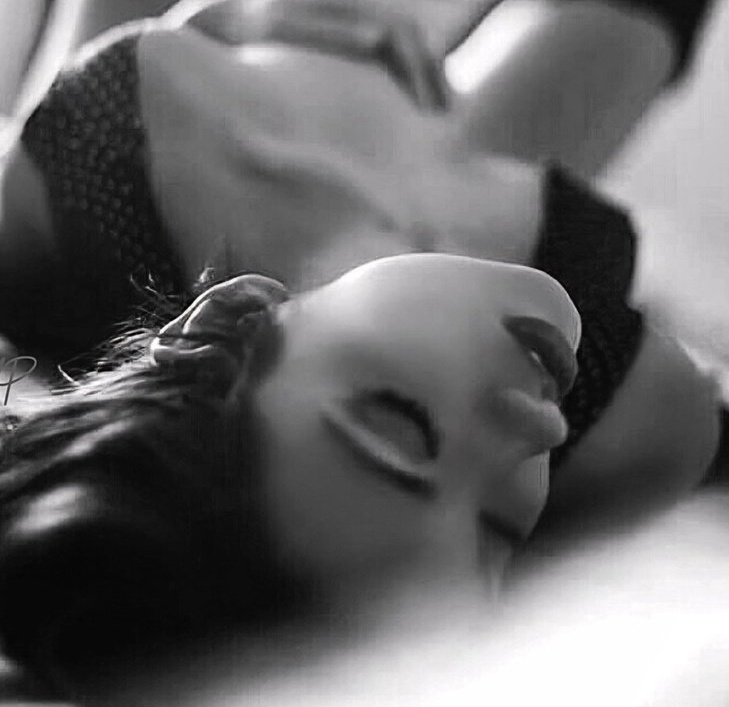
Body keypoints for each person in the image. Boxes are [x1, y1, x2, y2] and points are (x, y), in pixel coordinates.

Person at [0, 0, 720, 695]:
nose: (539, 426)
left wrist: (230, 18)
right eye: (496, 536)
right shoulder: (625, 415)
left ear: (234, 315)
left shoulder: (96, 172)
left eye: (399, 429)